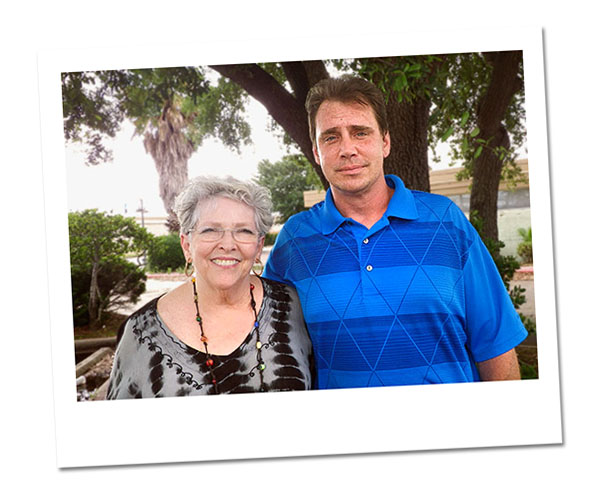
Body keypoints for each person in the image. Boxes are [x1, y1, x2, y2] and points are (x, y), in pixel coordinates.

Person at [263, 75, 528, 389]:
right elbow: (268, 345)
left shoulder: (446, 221)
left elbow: (495, 344)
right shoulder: (294, 241)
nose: (347, 149)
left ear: (385, 142)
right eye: (331, 137)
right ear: (316, 151)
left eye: (360, 133)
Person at [107, 176, 314, 398]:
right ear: (186, 244)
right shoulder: (141, 333)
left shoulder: (292, 306)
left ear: (258, 246)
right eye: (210, 230)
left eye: (243, 231)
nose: (227, 244)